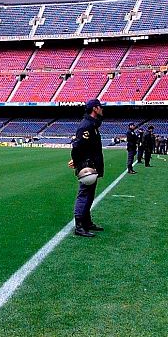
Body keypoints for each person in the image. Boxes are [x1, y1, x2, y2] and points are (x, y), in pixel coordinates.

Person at [68, 98, 105, 238]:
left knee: (89, 194)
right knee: (84, 194)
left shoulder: (93, 125)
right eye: (100, 107)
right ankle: (79, 226)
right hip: (87, 166)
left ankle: (87, 222)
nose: (102, 109)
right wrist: (77, 162)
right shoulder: (86, 126)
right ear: (95, 109)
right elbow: (77, 146)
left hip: (92, 165)